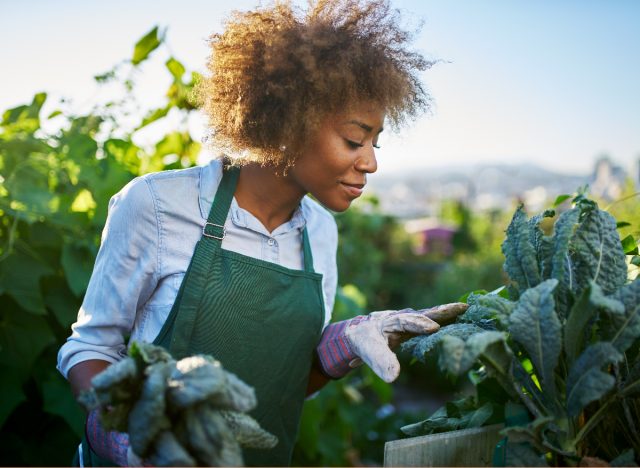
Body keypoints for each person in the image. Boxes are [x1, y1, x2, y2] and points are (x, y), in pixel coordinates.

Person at [57, 1, 466, 466]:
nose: (371, 161)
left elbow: (282, 389)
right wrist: (127, 437)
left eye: (377, 142)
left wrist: (339, 349)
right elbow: (90, 350)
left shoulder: (321, 234)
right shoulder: (157, 205)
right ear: (290, 123)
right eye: (355, 140)